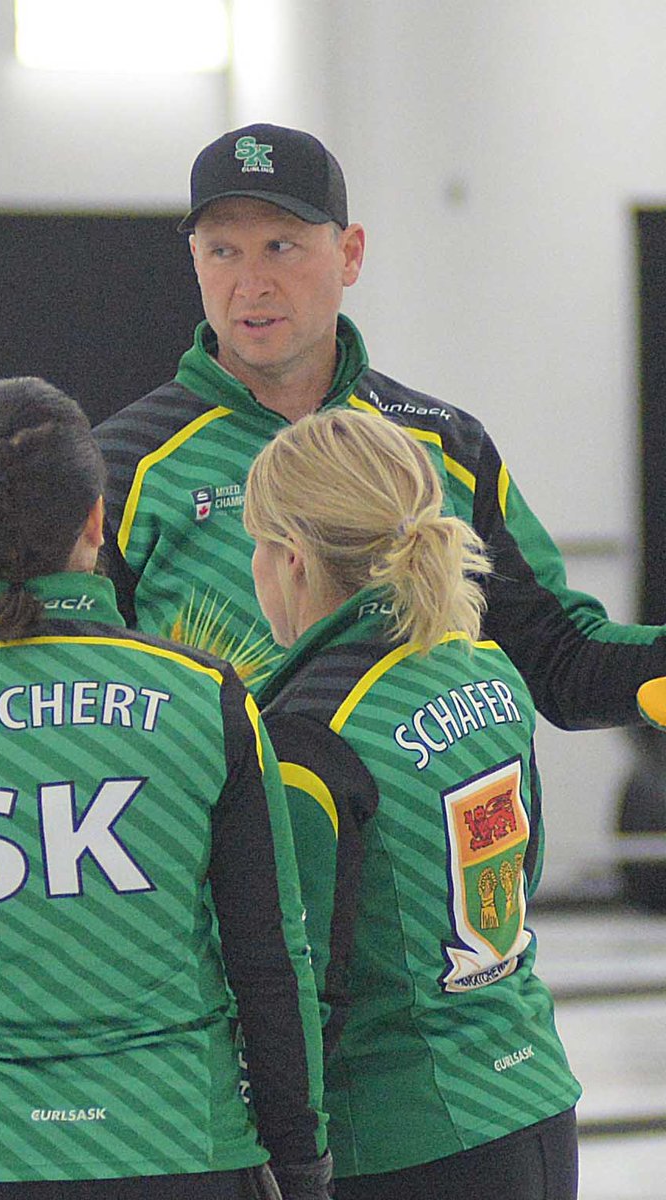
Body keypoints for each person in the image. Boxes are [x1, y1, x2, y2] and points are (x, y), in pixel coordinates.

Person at [0, 376, 333, 1200]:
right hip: (178, 1147)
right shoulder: (204, 692)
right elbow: (271, 961)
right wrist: (301, 1163)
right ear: (98, 522)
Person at [95, 121, 666, 721]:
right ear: (195, 261)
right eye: (223, 251)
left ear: (349, 254)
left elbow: (558, 658)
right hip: (226, 815)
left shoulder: (444, 445)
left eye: (280, 247)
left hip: (423, 811)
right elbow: (82, 691)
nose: (251, 284)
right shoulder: (122, 463)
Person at [243, 407, 580, 1199]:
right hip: (534, 1098)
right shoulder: (487, 668)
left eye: (256, 545)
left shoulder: (306, 730)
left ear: (293, 558)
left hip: (400, 1138)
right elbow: (526, 869)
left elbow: (293, 978)